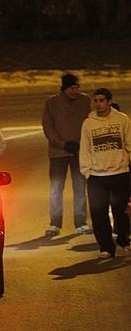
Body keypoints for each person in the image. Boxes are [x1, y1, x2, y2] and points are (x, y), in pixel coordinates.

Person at [79, 88, 130, 258]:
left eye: (102, 100)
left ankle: (124, 240)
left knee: (120, 209)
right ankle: (106, 247)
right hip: (97, 176)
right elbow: (84, 148)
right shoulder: (88, 123)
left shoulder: (122, 120)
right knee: (99, 213)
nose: (99, 104)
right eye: (96, 100)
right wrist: (86, 171)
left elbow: (129, 143)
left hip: (120, 172)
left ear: (109, 101)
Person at [41, 73, 91, 236]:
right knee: (56, 188)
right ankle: (55, 223)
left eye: (77, 88)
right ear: (64, 88)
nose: (74, 91)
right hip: (58, 153)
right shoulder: (52, 102)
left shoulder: (84, 100)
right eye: (71, 88)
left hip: (78, 151)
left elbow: (88, 123)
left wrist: (79, 143)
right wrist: (62, 144)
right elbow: (48, 126)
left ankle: (80, 223)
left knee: (79, 187)